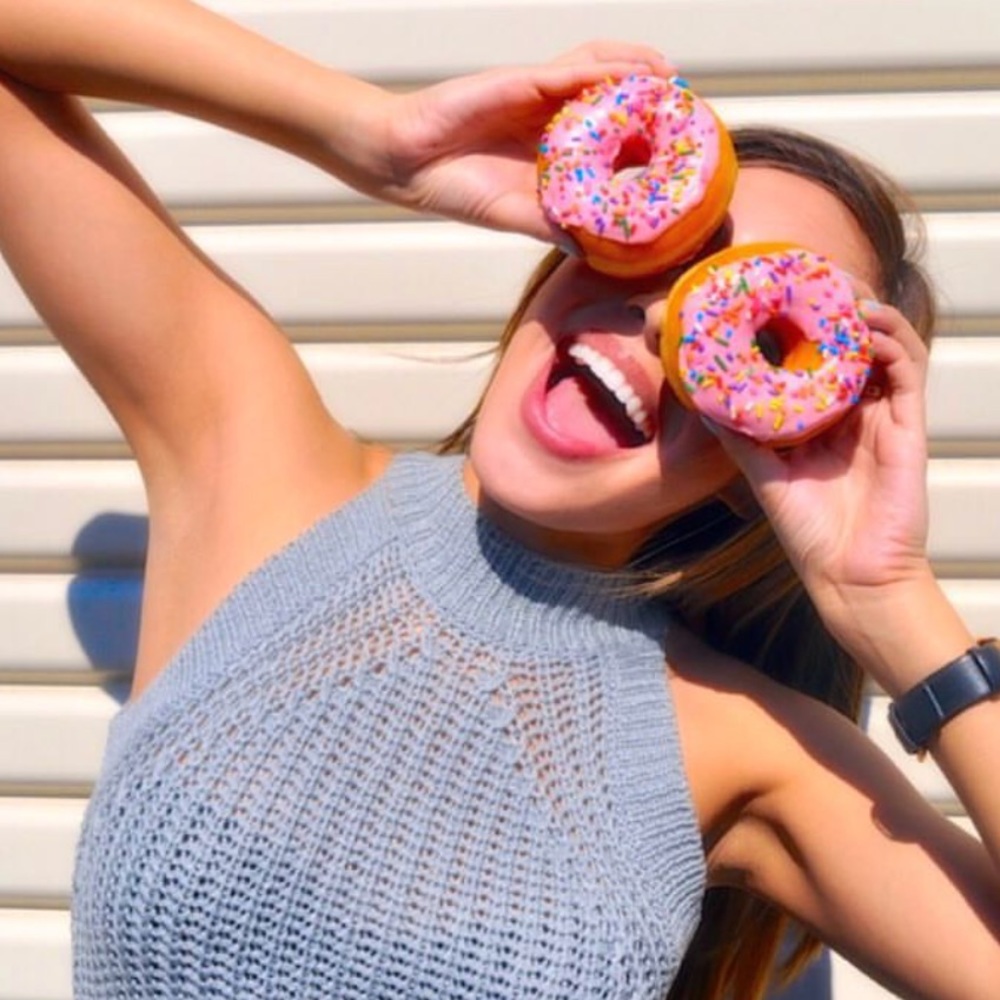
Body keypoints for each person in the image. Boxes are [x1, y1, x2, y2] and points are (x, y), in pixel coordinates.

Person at [0, 2, 998, 998]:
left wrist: (891, 602)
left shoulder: (752, 752)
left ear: (768, 463)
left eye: (745, 335)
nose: (657, 324)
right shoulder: (254, 466)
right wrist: (370, 135)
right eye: (654, 248)